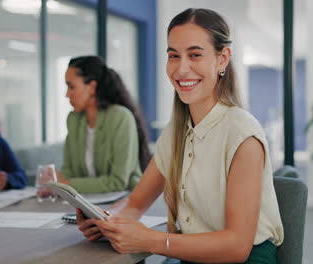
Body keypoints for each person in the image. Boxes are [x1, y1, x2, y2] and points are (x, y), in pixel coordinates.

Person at [75, 8, 284, 264]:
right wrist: (105, 219)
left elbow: (237, 246)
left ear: (222, 59)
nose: (181, 68)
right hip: (190, 257)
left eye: (195, 55)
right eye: (174, 56)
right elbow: (135, 203)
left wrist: (150, 240)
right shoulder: (176, 131)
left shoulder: (243, 135)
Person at [57, 56, 151, 193]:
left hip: (123, 200)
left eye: (71, 87)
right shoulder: (73, 119)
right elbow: (68, 170)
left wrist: (67, 184)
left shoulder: (120, 117)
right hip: (85, 200)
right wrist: (56, 180)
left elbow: (118, 181)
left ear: (92, 87)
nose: (67, 94)